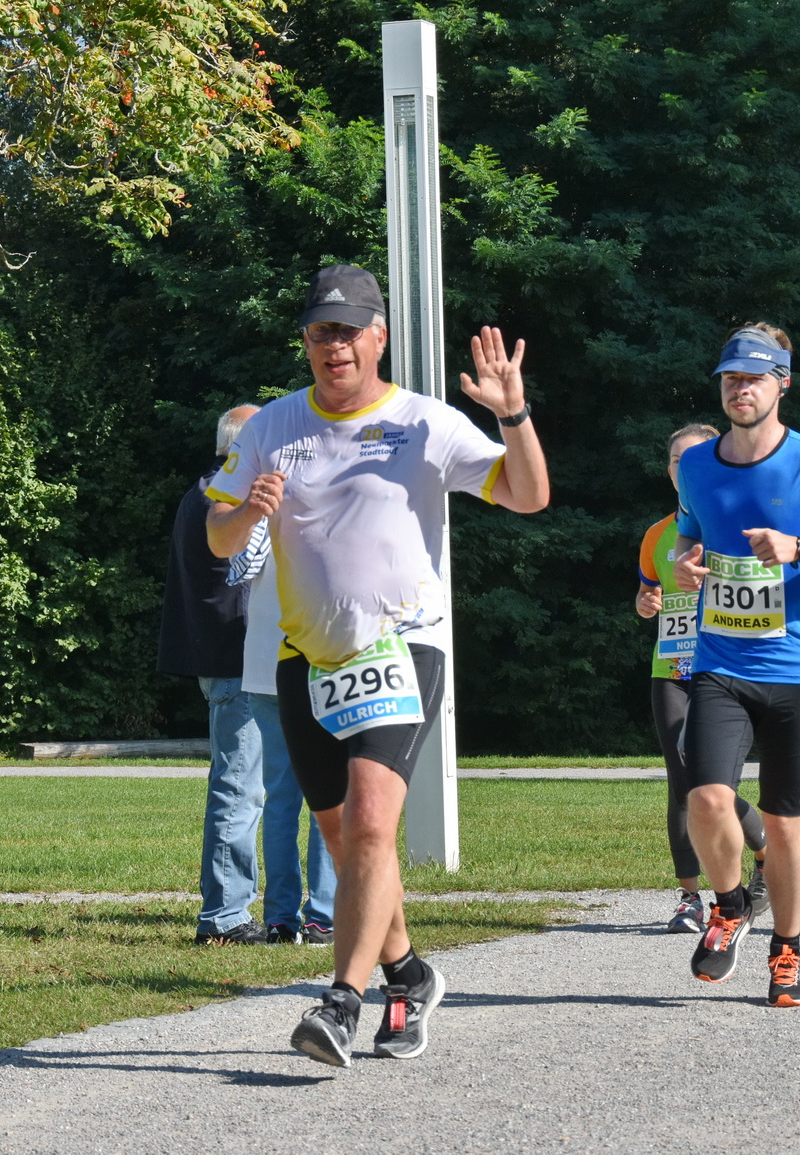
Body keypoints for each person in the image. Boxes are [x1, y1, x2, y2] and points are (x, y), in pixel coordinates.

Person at [206, 264, 549, 1067]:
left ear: (379, 336)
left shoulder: (425, 423)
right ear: (306, 342)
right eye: (321, 332)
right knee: (350, 837)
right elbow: (219, 536)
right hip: (305, 659)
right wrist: (242, 513)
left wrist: (515, 414)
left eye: (349, 330)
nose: (335, 347)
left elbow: (529, 495)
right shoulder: (271, 425)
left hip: (402, 647)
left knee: (368, 825)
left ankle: (340, 1003)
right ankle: (408, 971)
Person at [672, 323, 800, 1008]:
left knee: (786, 820)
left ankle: (787, 950)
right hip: (721, 660)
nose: (740, 389)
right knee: (705, 796)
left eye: (753, 379)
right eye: (730, 379)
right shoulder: (696, 465)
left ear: (781, 384)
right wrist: (684, 565)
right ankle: (730, 902)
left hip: (797, 666)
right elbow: (687, 543)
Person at [636, 424, 767, 934]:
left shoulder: (737, 523)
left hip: (726, 669)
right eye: (673, 460)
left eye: (689, 458)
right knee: (682, 783)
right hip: (670, 669)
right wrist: (646, 603)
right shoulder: (656, 535)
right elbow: (647, 596)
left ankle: (761, 850)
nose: (680, 467)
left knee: (711, 785)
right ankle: (690, 898)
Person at [156, 405, 266, 946]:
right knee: (239, 786)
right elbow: (239, 584)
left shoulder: (205, 491)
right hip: (236, 658)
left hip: (227, 657)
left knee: (245, 784)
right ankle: (224, 915)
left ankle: (233, 906)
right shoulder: (221, 499)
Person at [230, 507, 338, 945]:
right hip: (317, 663)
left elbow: (239, 567)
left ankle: (279, 918)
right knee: (326, 796)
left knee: (280, 799)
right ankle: (322, 916)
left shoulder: (259, 508)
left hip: (262, 664)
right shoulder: (332, 508)